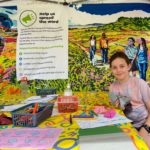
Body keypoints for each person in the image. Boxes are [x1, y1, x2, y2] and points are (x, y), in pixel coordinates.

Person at [109, 51, 150, 148]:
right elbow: (117, 111)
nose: (118, 70)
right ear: (111, 69)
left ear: (129, 66)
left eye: (122, 66)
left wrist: (146, 128)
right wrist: (117, 108)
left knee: (142, 145)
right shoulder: (112, 88)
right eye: (114, 67)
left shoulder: (140, 83)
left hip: (145, 124)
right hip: (126, 126)